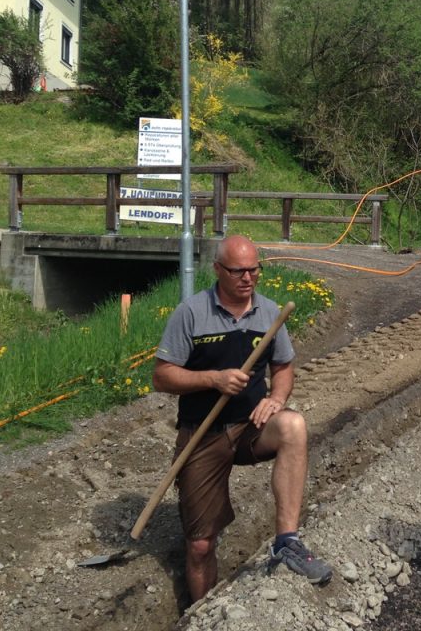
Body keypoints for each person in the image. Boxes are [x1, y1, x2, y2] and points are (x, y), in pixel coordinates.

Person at [153, 235, 332, 604]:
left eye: (254, 270)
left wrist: (277, 398)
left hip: (251, 428)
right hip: (203, 432)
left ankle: (287, 542)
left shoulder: (269, 313)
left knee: (293, 425)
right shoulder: (191, 313)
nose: (247, 278)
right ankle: (203, 612)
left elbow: (283, 367)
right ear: (218, 269)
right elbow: (162, 376)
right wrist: (213, 379)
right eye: (238, 271)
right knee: (201, 545)